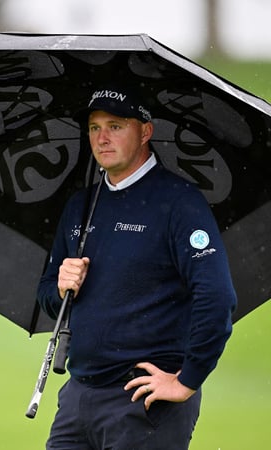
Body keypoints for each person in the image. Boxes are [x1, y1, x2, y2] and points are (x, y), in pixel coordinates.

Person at [37, 85, 236, 449]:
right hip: (78, 399)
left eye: (115, 125)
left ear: (145, 131)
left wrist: (187, 380)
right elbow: (48, 295)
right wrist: (61, 287)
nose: (102, 138)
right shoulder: (80, 204)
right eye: (95, 128)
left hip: (144, 404)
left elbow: (217, 295)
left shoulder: (179, 202)